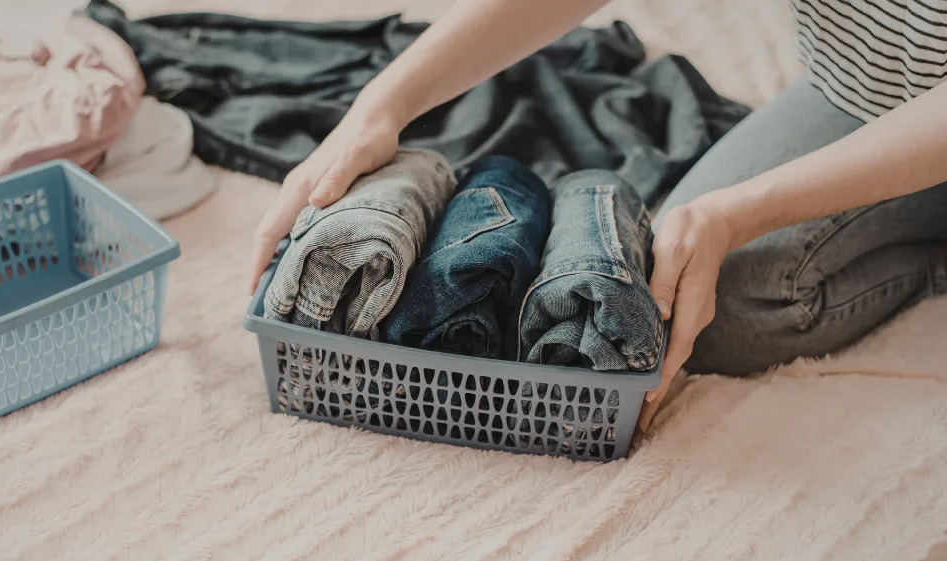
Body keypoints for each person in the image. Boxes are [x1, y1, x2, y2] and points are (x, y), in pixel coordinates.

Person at [247, 0, 947, 427]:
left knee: (725, 308)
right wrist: (386, 103)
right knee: (675, 275)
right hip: (857, 85)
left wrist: (740, 212)